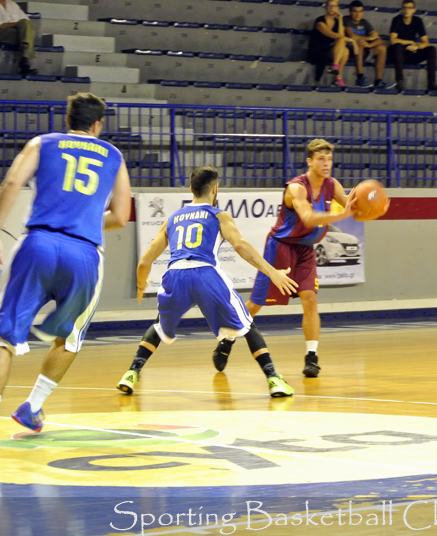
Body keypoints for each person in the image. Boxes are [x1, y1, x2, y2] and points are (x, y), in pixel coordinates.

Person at [0, 93, 132, 448]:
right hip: (85, 254)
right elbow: (121, 216)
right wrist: (83, 219)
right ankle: (32, 407)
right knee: (70, 337)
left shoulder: (42, 143)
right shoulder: (115, 156)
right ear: (98, 125)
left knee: (4, 333)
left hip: (38, 243)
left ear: (68, 120)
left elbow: (13, 183)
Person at [115, 165, 298, 398]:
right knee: (246, 324)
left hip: (175, 275)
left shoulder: (172, 219)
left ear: (191, 189)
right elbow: (240, 245)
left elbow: (145, 262)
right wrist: (272, 272)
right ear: (214, 189)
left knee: (159, 325)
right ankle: (273, 379)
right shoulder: (218, 215)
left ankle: (131, 373)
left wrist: (141, 286)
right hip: (205, 273)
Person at [212, 139, 355, 379]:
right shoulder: (296, 188)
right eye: (321, 159)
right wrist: (343, 214)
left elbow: (353, 206)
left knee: (310, 299)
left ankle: (312, 357)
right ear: (309, 161)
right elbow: (308, 218)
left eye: (329, 159)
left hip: (306, 249)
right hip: (281, 247)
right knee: (256, 304)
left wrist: (370, 203)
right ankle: (227, 339)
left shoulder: (332, 185)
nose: (326, 163)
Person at [389, 0, 437, 92]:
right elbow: (393, 40)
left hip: (412, 52)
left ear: (414, 10)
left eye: (409, 8)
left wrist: (417, 47)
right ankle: (400, 81)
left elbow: (425, 42)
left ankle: (432, 83)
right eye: (404, 8)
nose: (407, 10)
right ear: (402, 9)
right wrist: (410, 42)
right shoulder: (397, 20)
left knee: (432, 49)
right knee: (398, 46)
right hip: (398, 54)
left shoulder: (417, 21)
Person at [344, 1, 393, 89]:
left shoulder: (364, 22)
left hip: (364, 50)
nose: (358, 14)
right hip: (350, 51)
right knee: (360, 43)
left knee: (382, 48)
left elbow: (378, 39)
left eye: (360, 11)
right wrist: (368, 38)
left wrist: (369, 45)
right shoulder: (346, 19)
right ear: (350, 12)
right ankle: (360, 78)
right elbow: (352, 36)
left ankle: (378, 81)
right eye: (355, 11)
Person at [0, 0, 38, 75]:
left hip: (15, 33)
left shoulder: (12, 4)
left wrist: (21, 25)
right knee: (28, 34)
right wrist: (19, 24)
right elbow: (0, 26)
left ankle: (25, 59)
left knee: (27, 29)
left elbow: (26, 22)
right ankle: (25, 59)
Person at [308, 0, 350, 87]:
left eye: (334, 6)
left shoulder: (337, 22)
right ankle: (337, 74)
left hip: (330, 51)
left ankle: (336, 74)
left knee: (346, 51)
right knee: (342, 43)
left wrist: (340, 19)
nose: (332, 8)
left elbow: (341, 36)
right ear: (325, 8)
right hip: (318, 50)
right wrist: (351, 40)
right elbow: (332, 35)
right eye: (330, 5)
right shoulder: (320, 21)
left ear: (338, 8)